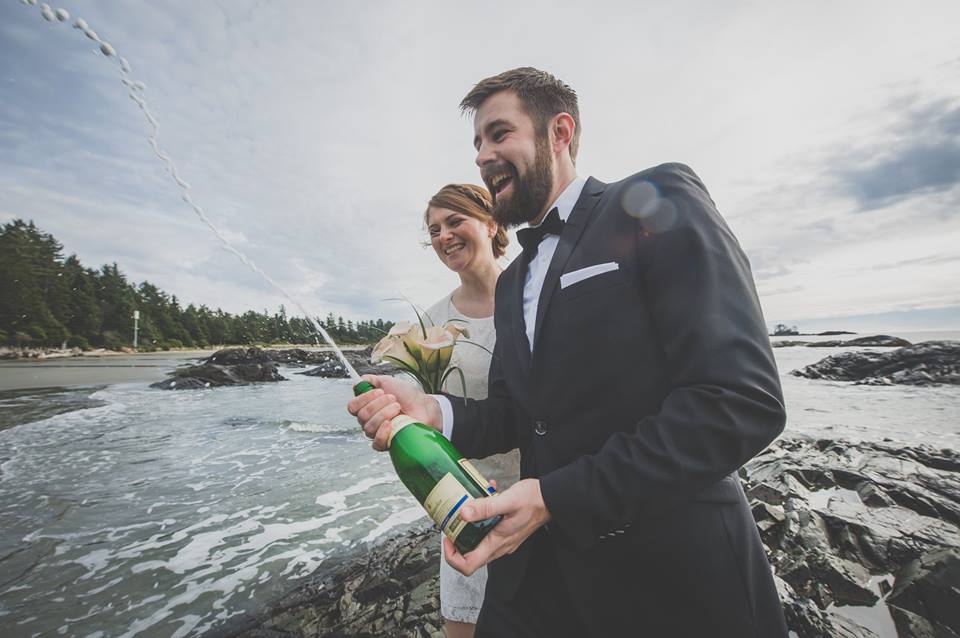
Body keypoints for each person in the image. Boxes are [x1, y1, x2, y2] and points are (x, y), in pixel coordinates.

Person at [350, 67, 788, 637]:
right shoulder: (513, 283)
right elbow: (516, 413)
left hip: (676, 578)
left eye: (499, 133)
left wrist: (556, 497)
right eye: (477, 144)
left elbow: (740, 401)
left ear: (560, 133)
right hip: (542, 578)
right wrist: (433, 411)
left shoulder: (655, 199)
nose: (483, 156)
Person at [422, 183, 519, 638]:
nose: (443, 236)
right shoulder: (430, 324)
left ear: (492, 222)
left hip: (543, 493)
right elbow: (425, 415)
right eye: (434, 229)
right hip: (467, 503)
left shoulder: (535, 297)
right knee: (464, 628)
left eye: (454, 221)